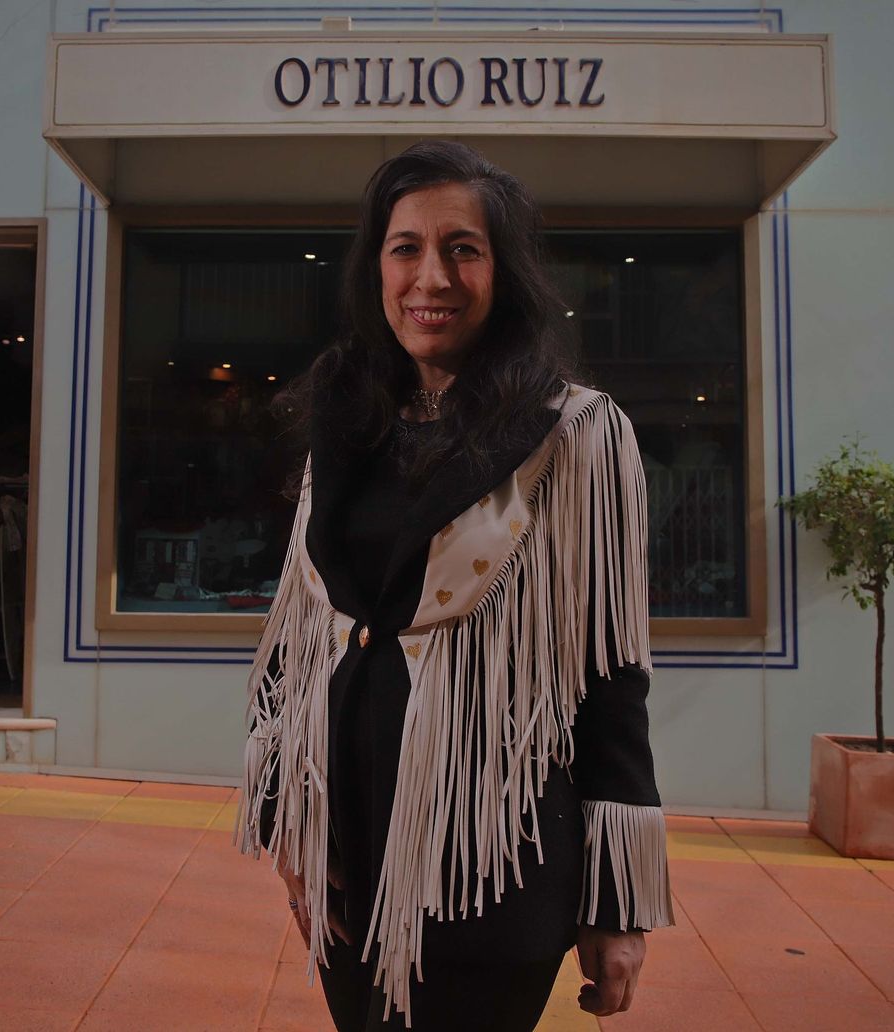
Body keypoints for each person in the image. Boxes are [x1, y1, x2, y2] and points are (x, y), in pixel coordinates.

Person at [237, 141, 670, 1032]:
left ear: (503, 271)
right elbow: (295, 639)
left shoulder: (577, 434)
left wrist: (617, 903)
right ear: (376, 268)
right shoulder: (344, 419)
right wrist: (288, 814)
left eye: (462, 248)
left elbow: (611, 675)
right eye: (406, 248)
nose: (430, 275)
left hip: (486, 860)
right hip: (341, 854)